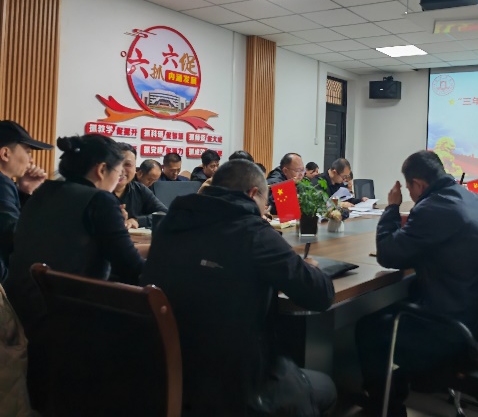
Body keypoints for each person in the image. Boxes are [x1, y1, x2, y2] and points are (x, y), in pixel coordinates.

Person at [141, 159, 336, 416]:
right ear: (253, 194)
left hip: (167, 371)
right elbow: (320, 295)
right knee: (326, 386)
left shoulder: (171, 222)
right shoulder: (253, 232)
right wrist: (311, 268)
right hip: (236, 384)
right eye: (265, 202)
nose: (265, 210)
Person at [355, 150, 478, 416]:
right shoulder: (476, 199)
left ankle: (386, 408)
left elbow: (388, 254)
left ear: (418, 184)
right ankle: (404, 384)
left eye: (409, 189)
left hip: (453, 330)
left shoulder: (433, 206)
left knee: (369, 328)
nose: (411, 195)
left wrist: (392, 207)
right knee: (407, 294)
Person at [6, 134, 145, 334]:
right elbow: (131, 267)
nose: (118, 179)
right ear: (102, 170)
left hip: (20, 308)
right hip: (67, 322)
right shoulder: (100, 200)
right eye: (118, 171)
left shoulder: (44, 190)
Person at [0, 121, 52, 283]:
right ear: (5, 154)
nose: (31, 160)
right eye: (28, 152)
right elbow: (15, 236)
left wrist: (25, 191)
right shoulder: (2, 183)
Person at [113, 143, 167, 229]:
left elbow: (165, 214)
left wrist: (137, 220)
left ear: (135, 168)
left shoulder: (140, 189)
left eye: (127, 164)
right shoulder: (97, 191)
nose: (121, 169)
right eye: (116, 163)